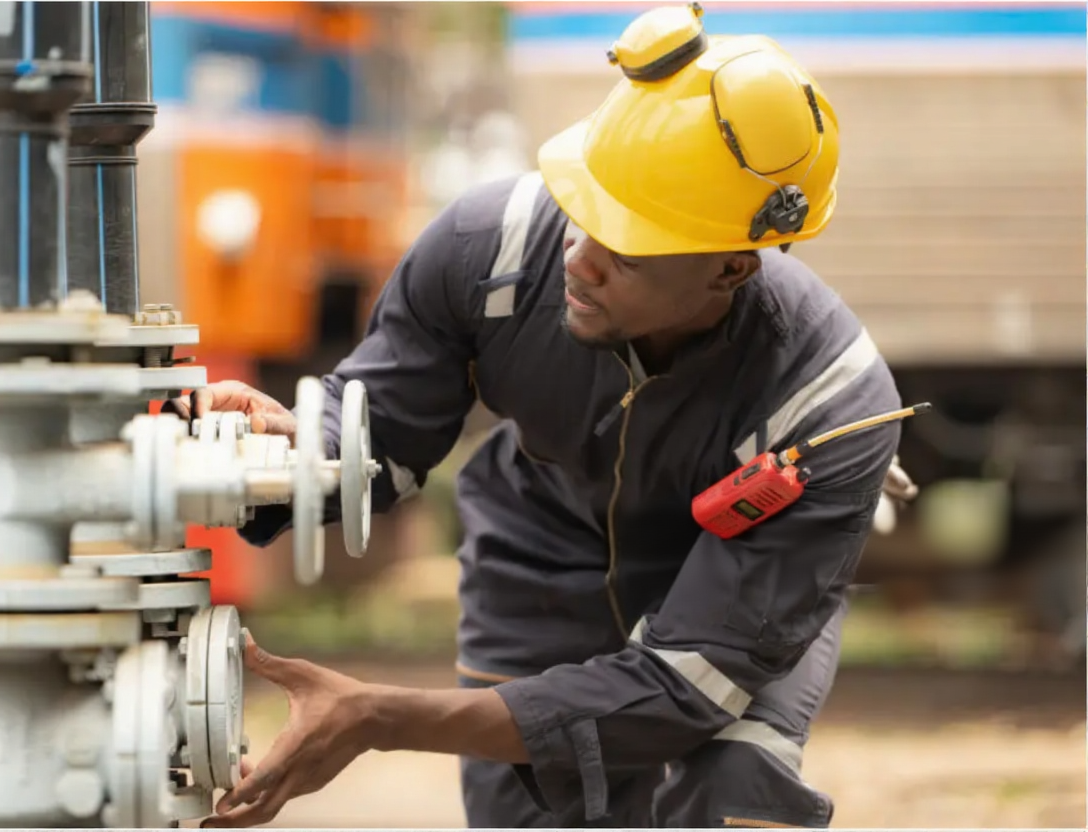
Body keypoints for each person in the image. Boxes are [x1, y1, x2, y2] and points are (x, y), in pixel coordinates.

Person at [176, 6, 919, 828]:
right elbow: (386, 432)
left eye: (626, 250)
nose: (579, 259)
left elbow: (683, 688)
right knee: (527, 808)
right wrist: (301, 447)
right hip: (538, 553)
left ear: (733, 269)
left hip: (733, 591)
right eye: (584, 209)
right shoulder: (485, 250)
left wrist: (377, 715)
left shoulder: (830, 406)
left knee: (731, 792)